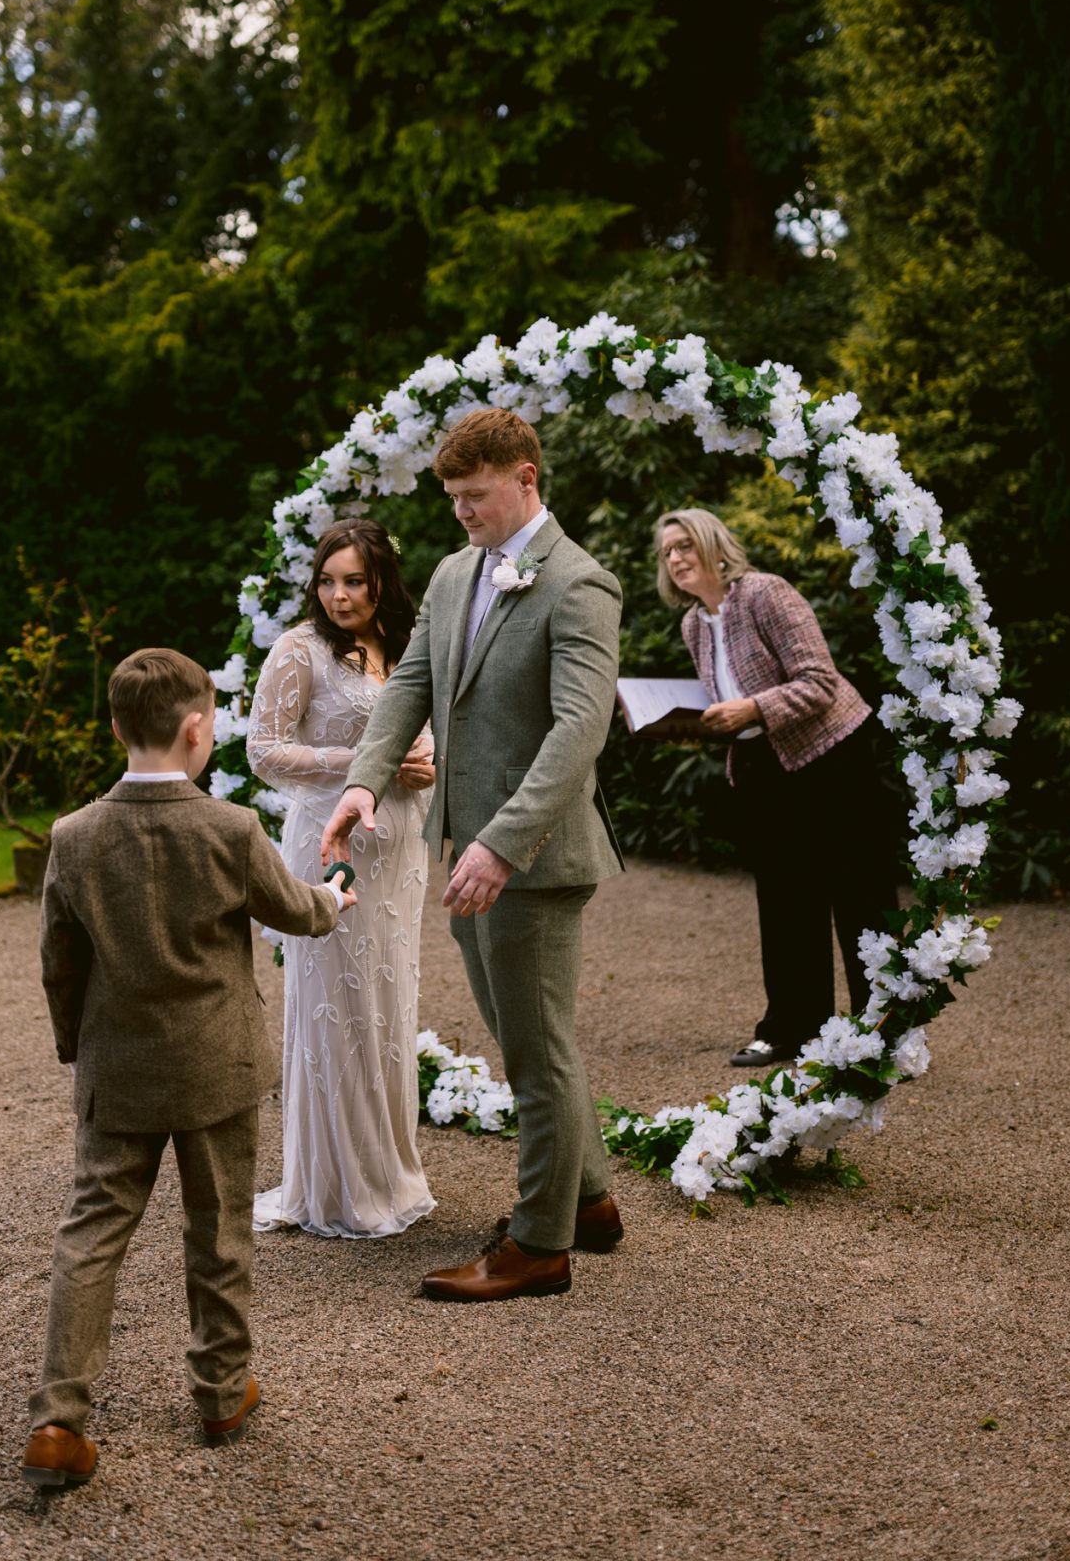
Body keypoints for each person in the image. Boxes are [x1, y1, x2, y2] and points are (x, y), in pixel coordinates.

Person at [21, 647, 354, 1492]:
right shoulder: (228, 829)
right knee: (217, 1230)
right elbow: (295, 911)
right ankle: (217, 1391)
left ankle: (59, 1420)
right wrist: (336, 896)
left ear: (115, 728)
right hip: (216, 1067)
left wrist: (79, 1052)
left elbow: (59, 965)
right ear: (197, 730)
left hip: (118, 1072)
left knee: (91, 1234)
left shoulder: (74, 836)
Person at [322, 409, 624, 1303]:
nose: (460, 513)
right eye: (450, 498)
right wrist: (363, 784)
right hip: (465, 849)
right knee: (524, 1038)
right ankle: (591, 1202)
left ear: (525, 479)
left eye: (474, 495)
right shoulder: (456, 575)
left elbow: (580, 729)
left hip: (533, 856)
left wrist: (500, 842)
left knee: (537, 1051)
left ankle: (539, 1246)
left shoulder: (579, 583)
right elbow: (410, 684)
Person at [246, 517, 437, 1238]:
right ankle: (331, 1186)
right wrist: (364, 765)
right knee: (334, 1008)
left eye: (353, 580)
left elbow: (429, 731)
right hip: (330, 843)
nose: (338, 595)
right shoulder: (299, 650)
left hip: (401, 848)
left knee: (389, 1003)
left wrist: (424, 764)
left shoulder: (404, 646)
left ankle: (388, 1172)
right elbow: (262, 750)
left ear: (381, 580)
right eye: (327, 580)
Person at [656, 508, 901, 1067]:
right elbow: (724, 702)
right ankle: (792, 1029)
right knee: (785, 898)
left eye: (684, 545)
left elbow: (819, 681)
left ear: (715, 545)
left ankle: (884, 1033)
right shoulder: (693, 623)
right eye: (667, 552)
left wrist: (753, 708)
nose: (676, 559)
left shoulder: (767, 593)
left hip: (832, 752)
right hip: (763, 763)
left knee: (860, 894)